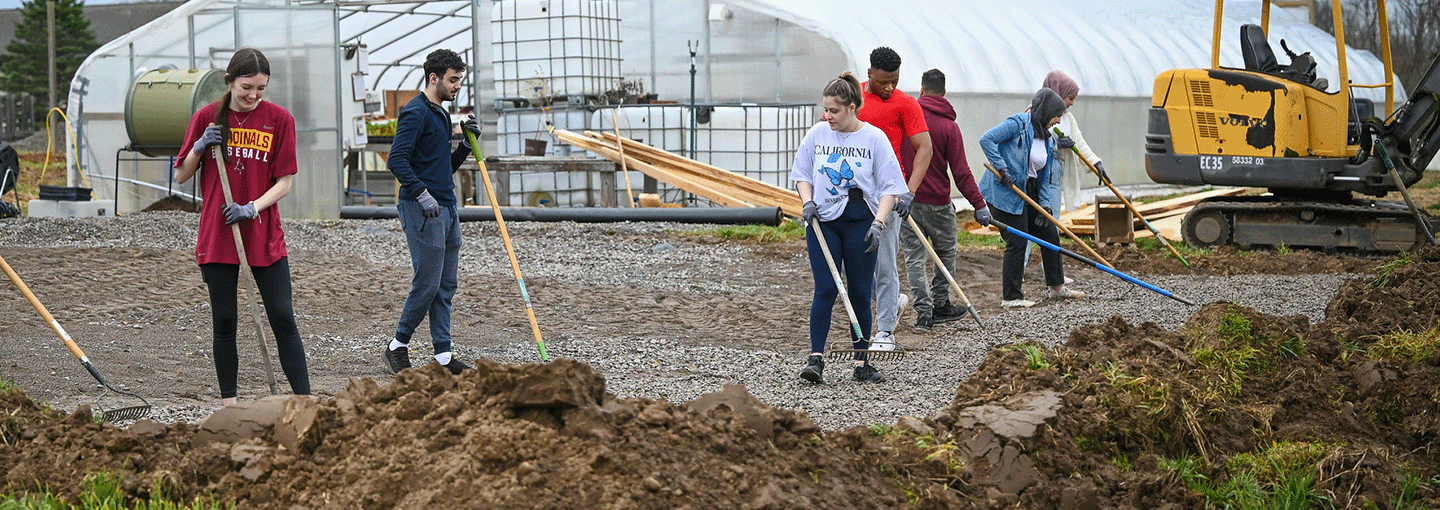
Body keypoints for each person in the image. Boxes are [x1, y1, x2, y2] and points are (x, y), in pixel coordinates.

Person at [175, 48, 310, 406]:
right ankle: (229, 405)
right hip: (219, 236)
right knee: (225, 321)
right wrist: (200, 147)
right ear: (230, 82)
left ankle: (305, 401)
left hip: (263, 233)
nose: (253, 96)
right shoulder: (207, 118)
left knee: (282, 317)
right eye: (246, 88)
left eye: (261, 89)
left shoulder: (279, 119)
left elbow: (284, 182)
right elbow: (181, 174)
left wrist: (252, 207)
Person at [792, 71, 908, 384]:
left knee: (858, 292)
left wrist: (879, 223)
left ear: (852, 108)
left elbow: (890, 186)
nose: (826, 115)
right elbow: (802, 172)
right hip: (823, 222)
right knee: (827, 288)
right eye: (825, 109)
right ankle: (816, 359)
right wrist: (807, 202)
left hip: (861, 222)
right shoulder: (817, 134)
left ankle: (861, 363)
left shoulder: (873, 139)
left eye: (833, 110)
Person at [382, 48, 482, 375]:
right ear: (434, 77)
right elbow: (396, 159)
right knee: (427, 283)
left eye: (460, 81)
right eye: (453, 80)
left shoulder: (440, 113)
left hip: (447, 207)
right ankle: (397, 345)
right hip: (422, 209)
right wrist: (421, 193)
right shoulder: (416, 112)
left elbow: (442, 167)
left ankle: (443, 354)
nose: (457, 87)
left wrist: (465, 147)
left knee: (446, 285)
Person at [897, 69, 989, 331]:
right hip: (938, 203)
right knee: (945, 253)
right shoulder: (949, 127)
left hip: (908, 202)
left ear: (922, 90)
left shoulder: (907, 119)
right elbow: (961, 172)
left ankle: (923, 315)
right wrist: (979, 204)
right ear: (944, 93)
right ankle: (941, 305)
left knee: (914, 258)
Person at [978, 88, 1086, 309]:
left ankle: (1057, 289)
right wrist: (1002, 168)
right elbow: (986, 139)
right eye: (1057, 115)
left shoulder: (1046, 137)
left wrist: (1045, 205)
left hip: (1030, 190)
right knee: (1018, 241)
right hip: (1004, 191)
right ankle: (1011, 297)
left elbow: (1044, 176)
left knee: (1049, 234)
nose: (1058, 120)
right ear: (1046, 111)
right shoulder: (1019, 124)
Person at [856, 47, 932, 348]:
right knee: (854, 263)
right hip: (853, 191)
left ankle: (885, 331)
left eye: (895, 81)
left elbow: (924, 147)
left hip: (889, 189)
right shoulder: (853, 98)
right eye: (883, 81)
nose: (889, 87)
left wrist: (909, 191)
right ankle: (894, 302)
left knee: (885, 261)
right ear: (869, 73)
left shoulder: (906, 104)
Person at [1042, 70, 1108, 213]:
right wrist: (1056, 145)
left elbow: (1079, 142)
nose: (1072, 103)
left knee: (1054, 213)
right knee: (1043, 214)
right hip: (1041, 174)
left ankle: (1053, 233)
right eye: (1070, 98)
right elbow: (1032, 142)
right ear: (1058, 93)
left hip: (1057, 173)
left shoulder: (1067, 118)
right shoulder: (1035, 114)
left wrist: (1096, 163)